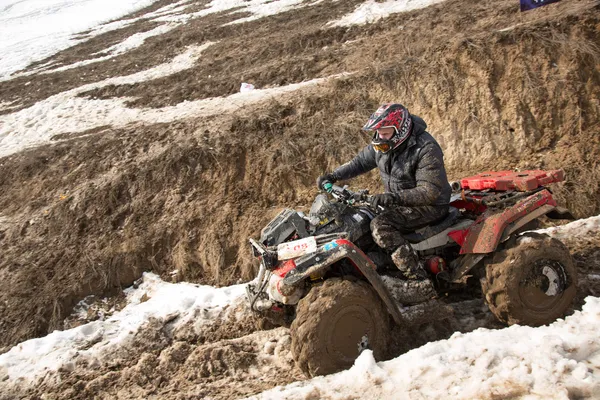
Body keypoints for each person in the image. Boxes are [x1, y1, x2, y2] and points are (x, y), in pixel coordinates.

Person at [317, 103, 451, 303]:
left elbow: (429, 191)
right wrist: (334, 175)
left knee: (381, 225)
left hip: (429, 205)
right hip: (401, 201)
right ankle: (382, 267)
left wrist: (395, 198)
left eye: (385, 132)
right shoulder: (384, 145)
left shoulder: (425, 148)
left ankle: (419, 281)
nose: (380, 136)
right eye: (378, 131)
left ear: (401, 130)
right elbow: (360, 162)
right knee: (357, 218)